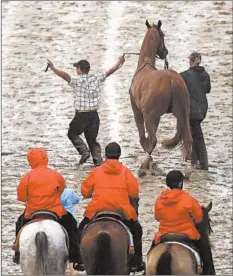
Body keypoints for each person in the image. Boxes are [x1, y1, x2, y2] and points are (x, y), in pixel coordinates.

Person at [75, 142, 145, 272]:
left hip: (97, 209)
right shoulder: (126, 172)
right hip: (122, 210)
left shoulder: (96, 171)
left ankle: (80, 260)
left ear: (105, 155)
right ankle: (136, 262)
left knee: (80, 230)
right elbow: (134, 192)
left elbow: (85, 192)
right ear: (119, 155)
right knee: (137, 230)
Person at [47, 56, 125, 167]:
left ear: (79, 69)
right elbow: (110, 71)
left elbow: (64, 75)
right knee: (92, 139)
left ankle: (84, 152)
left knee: (72, 133)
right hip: (94, 115)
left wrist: (53, 68)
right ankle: (98, 161)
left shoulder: (76, 81)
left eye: (76, 68)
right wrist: (119, 62)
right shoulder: (97, 78)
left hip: (81, 115)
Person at [12, 148, 79, 270]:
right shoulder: (55, 174)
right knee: (72, 224)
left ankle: (17, 252)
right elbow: (62, 189)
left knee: (19, 223)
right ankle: (75, 255)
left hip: (32, 212)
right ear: (45, 159)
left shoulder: (27, 177)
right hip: (55, 210)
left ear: (30, 161)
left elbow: (21, 197)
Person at [151, 170, 215, 275]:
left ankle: (145, 269)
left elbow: (157, 217)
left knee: (152, 251)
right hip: (186, 234)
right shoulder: (189, 199)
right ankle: (209, 272)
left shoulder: (159, 199)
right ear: (181, 183)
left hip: (164, 234)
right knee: (205, 248)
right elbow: (199, 218)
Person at [180, 52, 211, 170]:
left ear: (191, 61)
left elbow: (175, 79)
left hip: (192, 111)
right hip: (202, 110)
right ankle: (195, 162)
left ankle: (203, 164)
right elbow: (207, 90)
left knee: (197, 137)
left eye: (189, 60)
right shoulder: (206, 75)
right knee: (194, 133)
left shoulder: (186, 75)